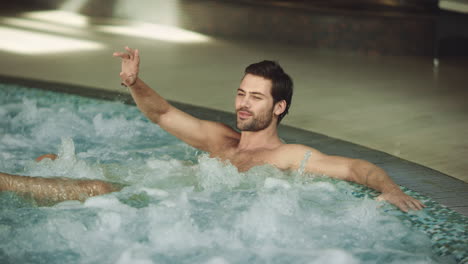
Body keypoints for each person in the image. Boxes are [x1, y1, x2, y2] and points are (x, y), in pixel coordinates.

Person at [0, 47, 424, 212]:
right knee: (63, 167)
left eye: (255, 98)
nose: (242, 103)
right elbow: (162, 115)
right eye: (241, 93)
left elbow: (357, 169)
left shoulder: (287, 156)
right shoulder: (219, 138)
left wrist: (388, 187)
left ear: (279, 107)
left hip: (177, 208)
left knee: (98, 189)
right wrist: (133, 83)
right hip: (170, 193)